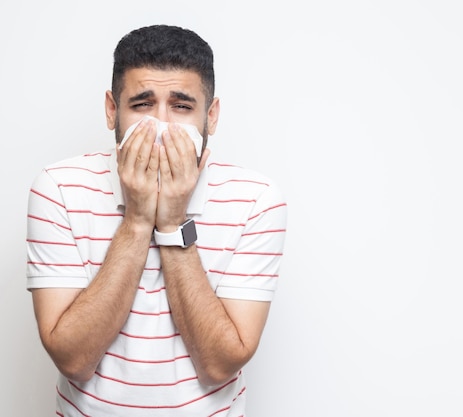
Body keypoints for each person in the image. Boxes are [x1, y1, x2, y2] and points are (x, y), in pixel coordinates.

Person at [26, 24, 287, 417]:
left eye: (181, 106)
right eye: (142, 104)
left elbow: (219, 365)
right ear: (112, 110)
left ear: (211, 116)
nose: (161, 127)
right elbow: (74, 359)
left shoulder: (257, 200)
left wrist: (173, 220)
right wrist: (136, 220)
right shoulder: (58, 188)